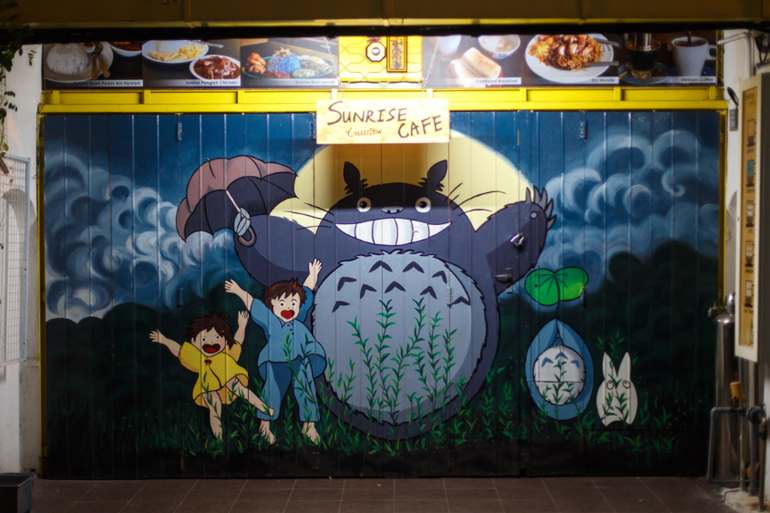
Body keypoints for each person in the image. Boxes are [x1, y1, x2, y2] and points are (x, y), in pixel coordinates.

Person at [225, 259, 326, 445]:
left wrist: (313, 275)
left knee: (306, 390)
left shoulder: (300, 315)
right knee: (272, 392)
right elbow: (252, 303)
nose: (288, 307)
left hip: (301, 358)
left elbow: (306, 290)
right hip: (275, 361)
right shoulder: (269, 318)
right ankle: (264, 426)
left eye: (293, 303)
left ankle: (309, 426)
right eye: (282, 303)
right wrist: (238, 291)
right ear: (272, 304)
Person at [150, 311, 273, 439]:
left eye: (217, 337)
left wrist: (241, 325)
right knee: (215, 406)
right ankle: (219, 438)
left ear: (225, 340)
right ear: (193, 342)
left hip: (227, 378)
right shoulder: (197, 358)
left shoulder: (226, 354)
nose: (211, 342)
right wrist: (164, 340)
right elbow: (179, 350)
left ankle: (264, 408)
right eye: (203, 339)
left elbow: (237, 341)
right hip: (207, 386)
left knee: (239, 388)